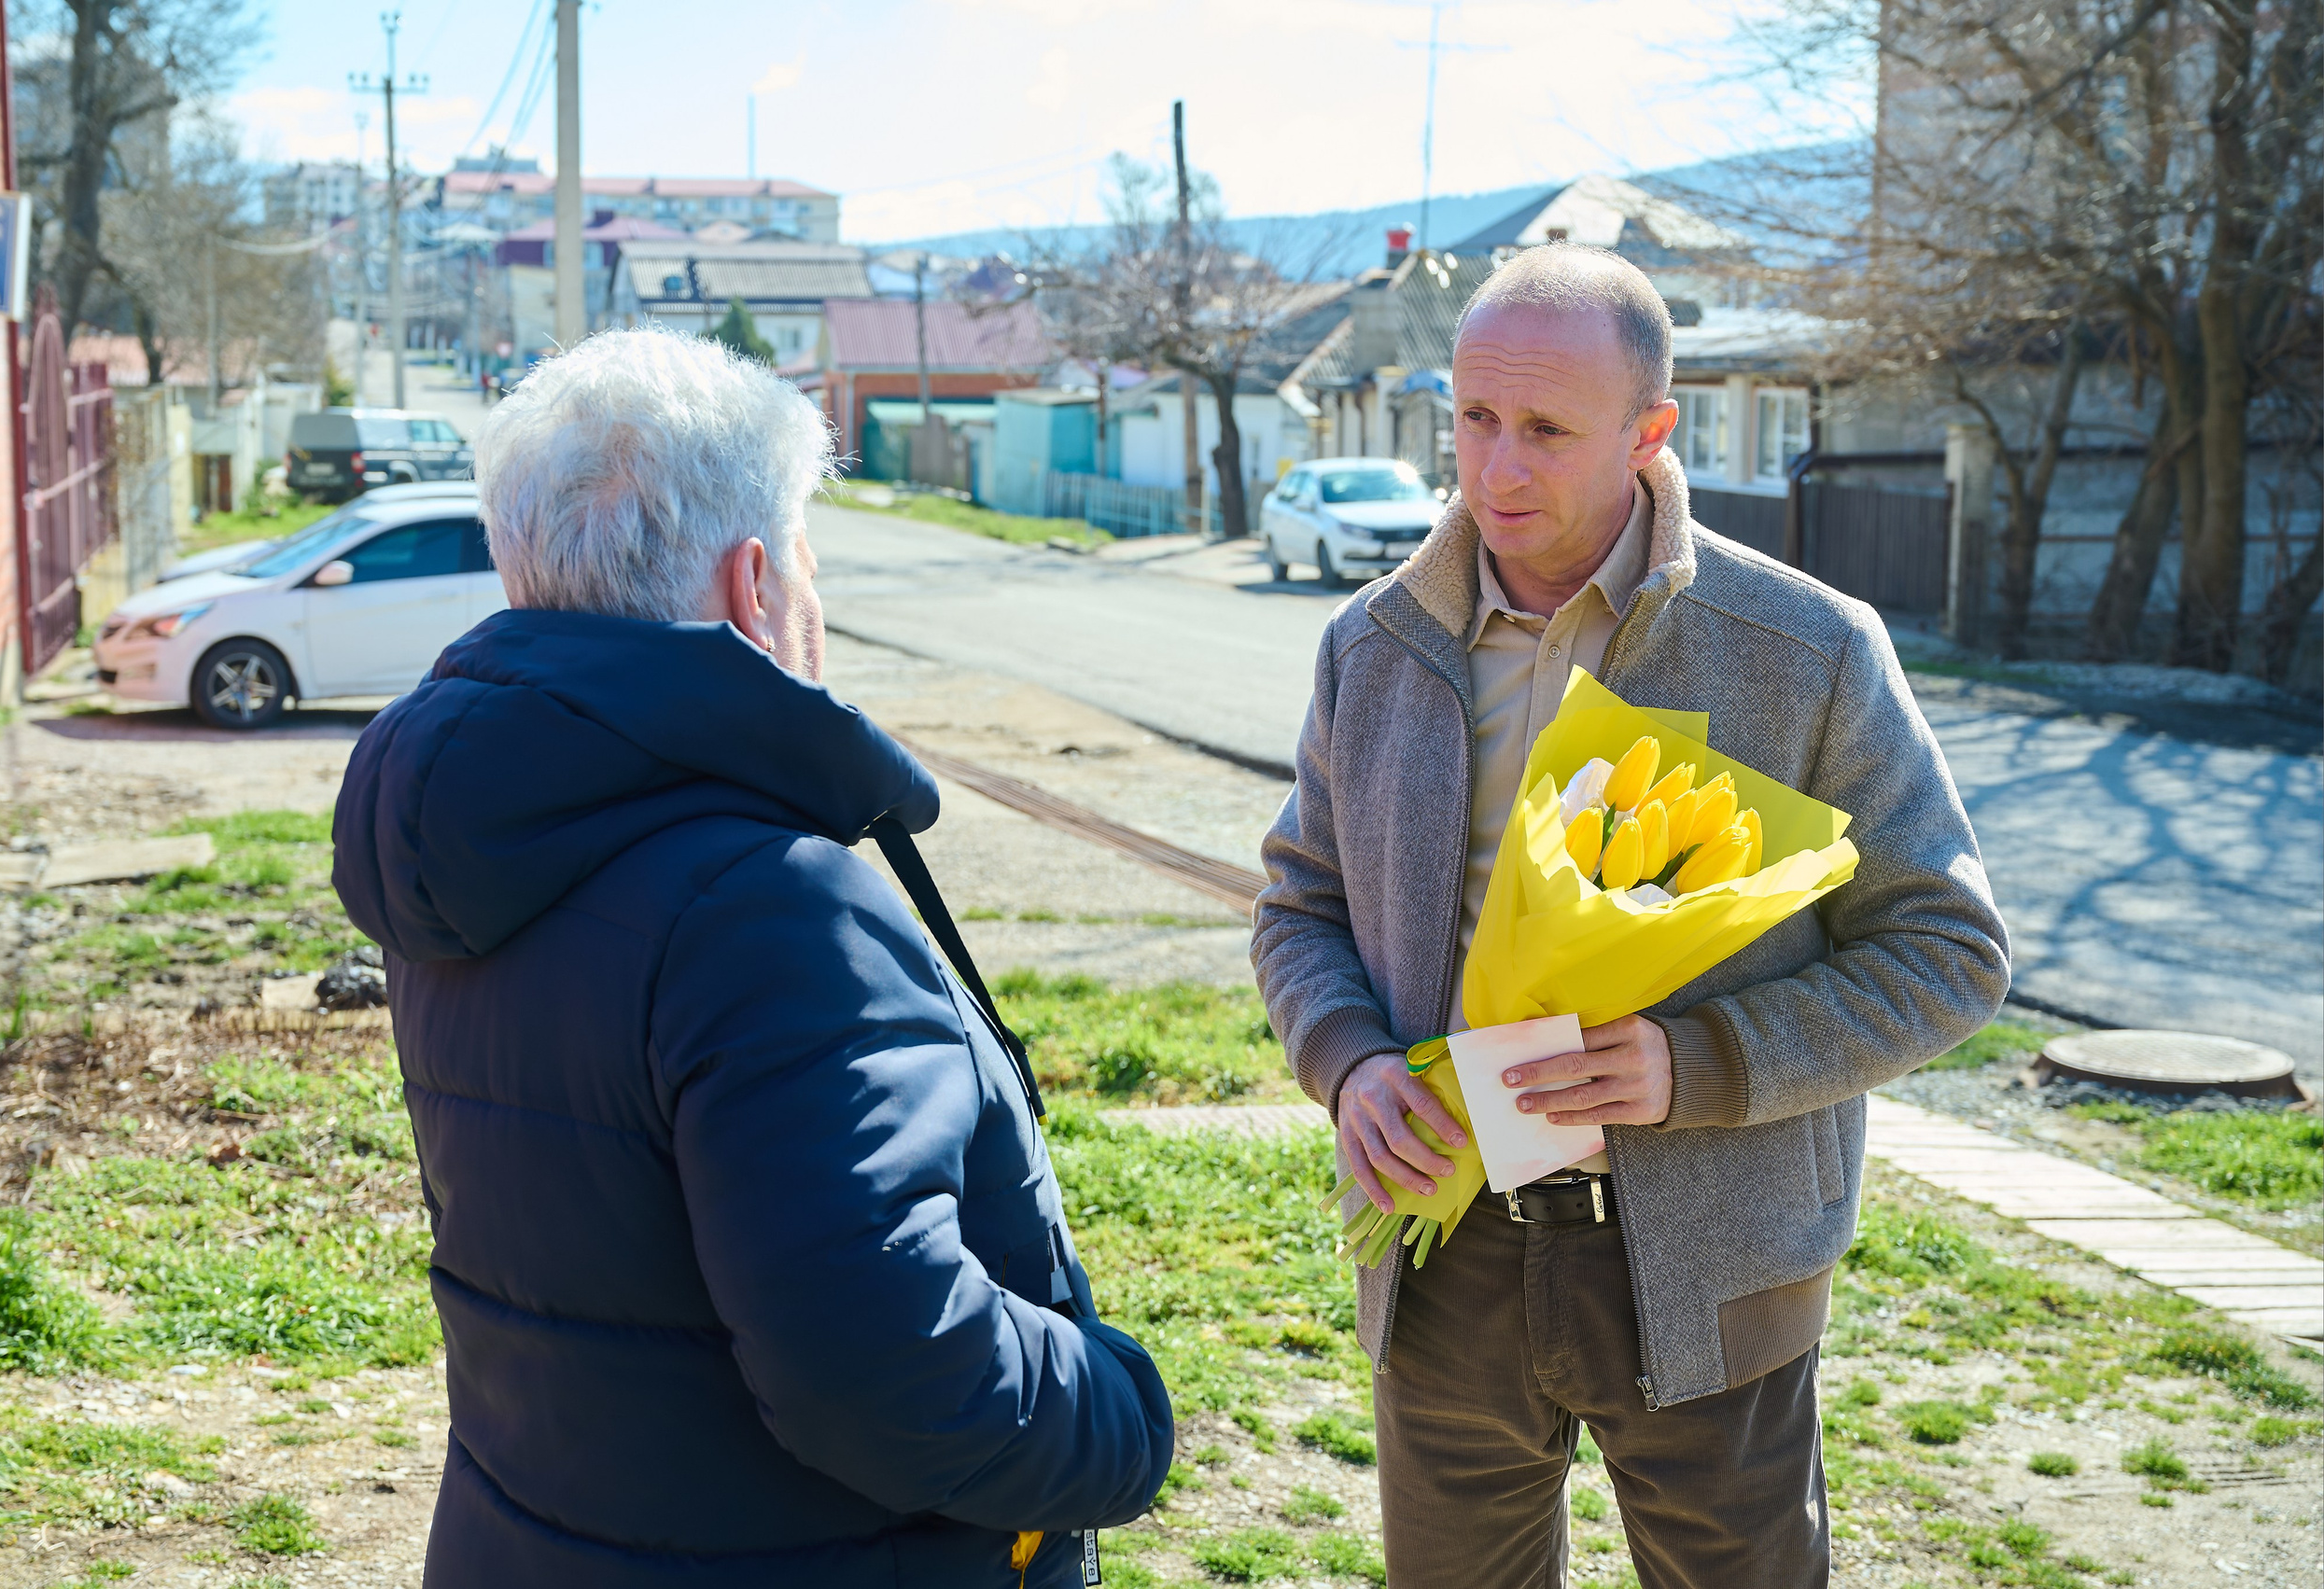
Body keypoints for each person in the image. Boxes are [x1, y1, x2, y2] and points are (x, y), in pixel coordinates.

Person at [333, 328, 1173, 1588]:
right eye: (807, 559)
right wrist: (1117, 1416)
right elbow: (889, 1369)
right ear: (755, 585)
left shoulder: (484, 841)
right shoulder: (770, 906)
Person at [1251, 244, 2009, 1587]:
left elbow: (1948, 953)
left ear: (1651, 433)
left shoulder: (1810, 650)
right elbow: (1300, 909)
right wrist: (1350, 1062)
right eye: (1474, 418)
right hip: (1442, 1252)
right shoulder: (1372, 645)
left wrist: (1694, 1063)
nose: (1496, 469)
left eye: (1547, 430)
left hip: (1717, 1259)